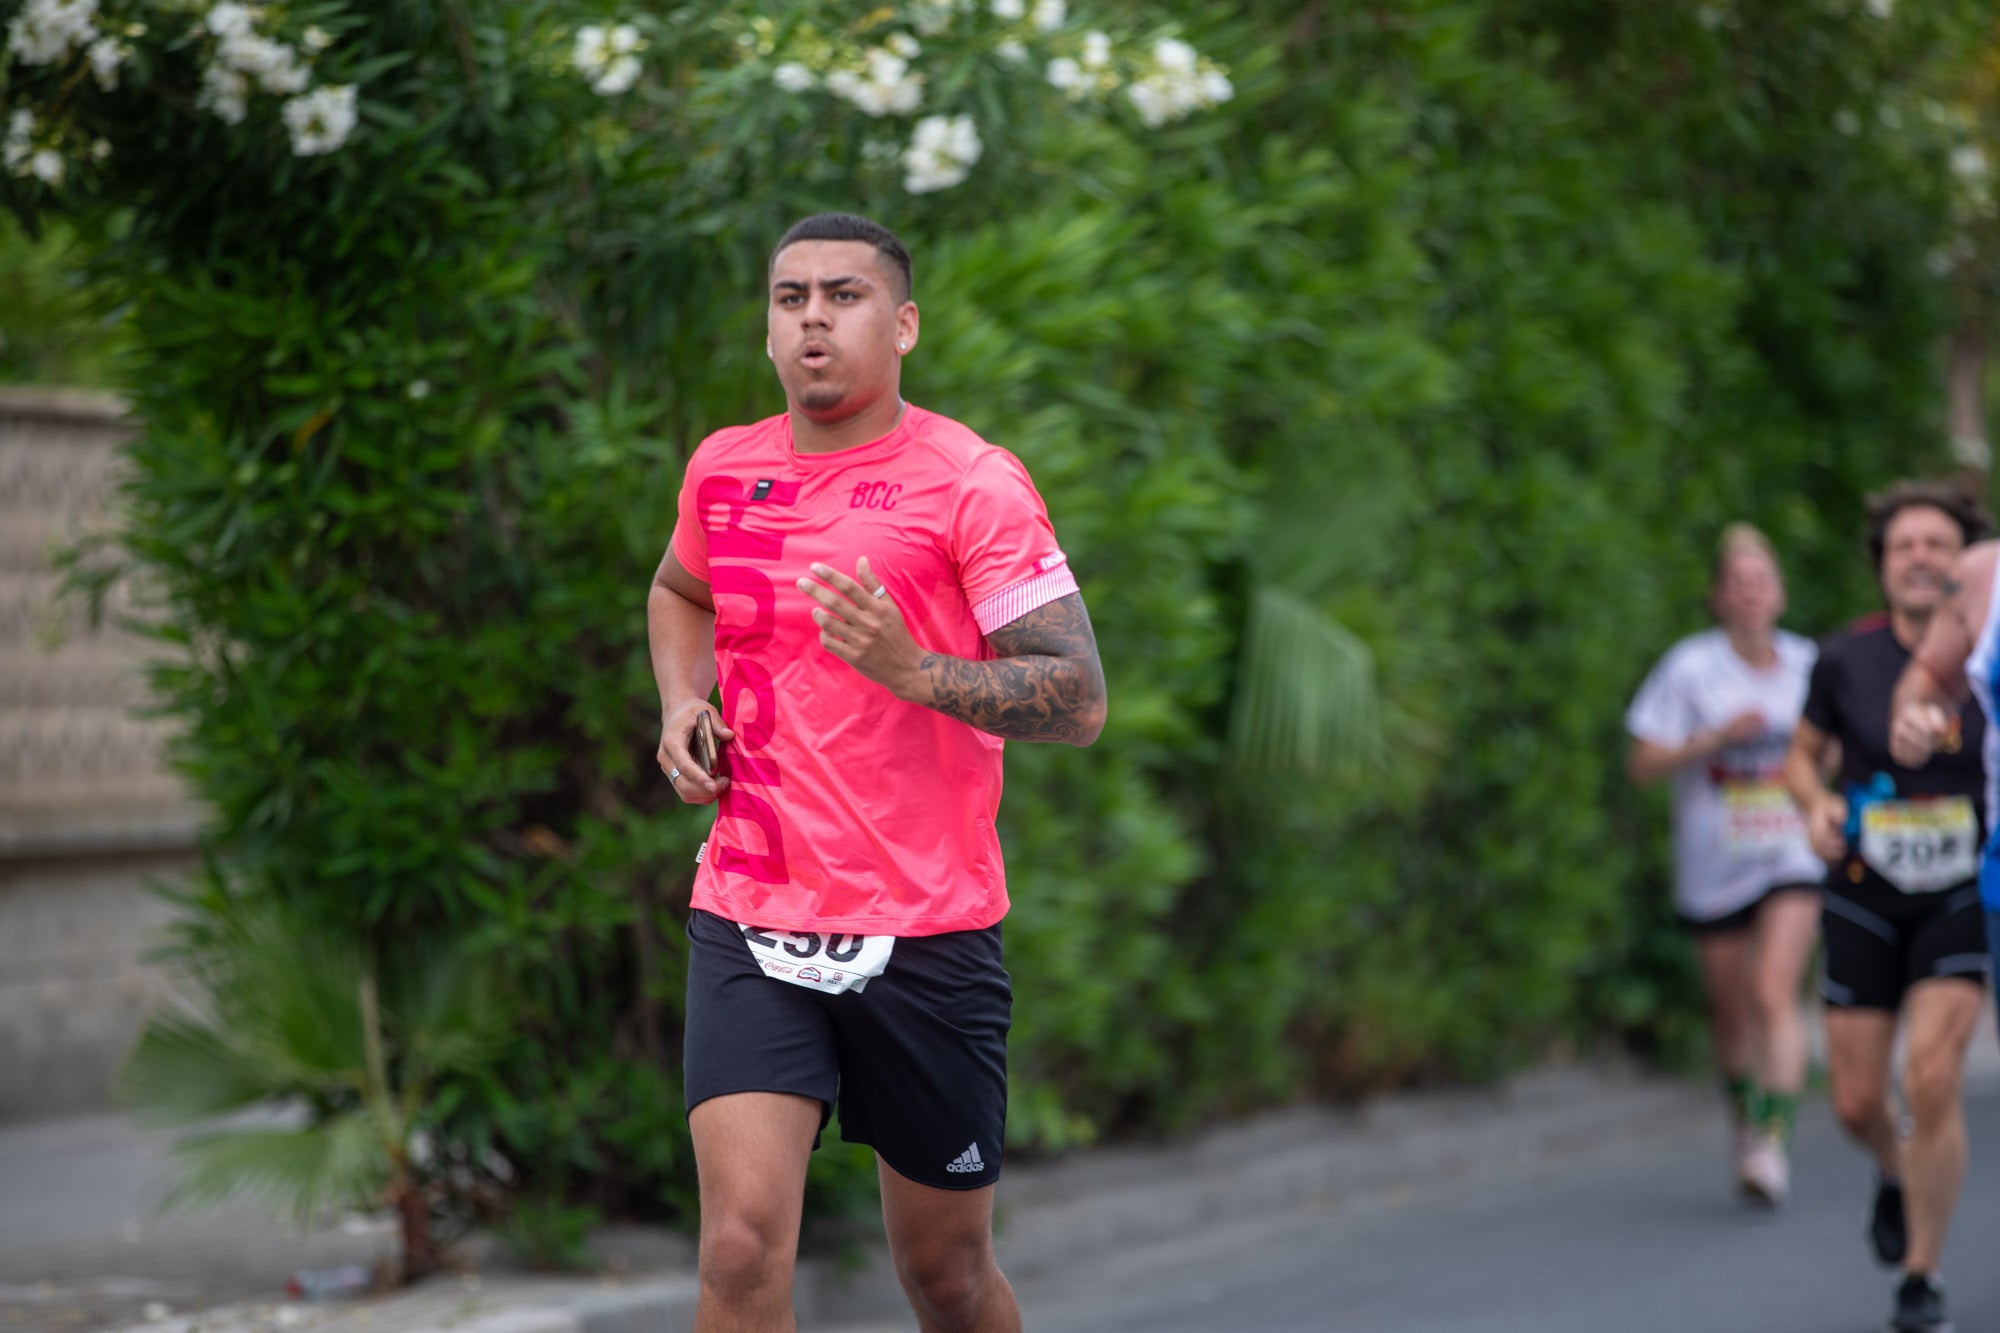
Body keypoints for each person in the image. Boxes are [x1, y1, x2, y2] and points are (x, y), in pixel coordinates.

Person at [646, 211, 1107, 1333]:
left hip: (927, 926)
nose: (812, 319)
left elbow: (1076, 697)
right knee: (739, 1244)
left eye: (842, 296)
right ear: (766, 326)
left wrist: (915, 670)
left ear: (900, 325)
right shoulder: (725, 469)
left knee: (943, 1274)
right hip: (751, 906)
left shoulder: (971, 485)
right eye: (789, 297)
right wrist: (679, 704)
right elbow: (679, 592)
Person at [1786, 482, 1993, 1333]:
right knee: (1855, 1101)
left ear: (1967, 563)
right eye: (1903, 545)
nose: (1920, 558)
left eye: (1937, 544)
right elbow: (1803, 758)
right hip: (1866, 890)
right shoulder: (1845, 660)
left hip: (1963, 886)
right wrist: (1814, 805)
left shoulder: (1988, 653)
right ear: (1881, 564)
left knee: (1934, 1075)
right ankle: (1896, 1166)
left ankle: (1922, 1276)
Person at [1625, 523, 1824, 1205]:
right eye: (1736, 583)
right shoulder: (1690, 669)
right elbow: (1642, 763)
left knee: (1774, 990)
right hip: (1714, 860)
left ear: (1780, 593)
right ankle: (1746, 1125)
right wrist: (1711, 739)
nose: (1749, 594)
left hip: (1790, 850)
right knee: (1731, 1010)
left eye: (1760, 580)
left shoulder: (1808, 664)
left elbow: (1840, 750)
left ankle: (1774, 1141)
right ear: (1716, 597)